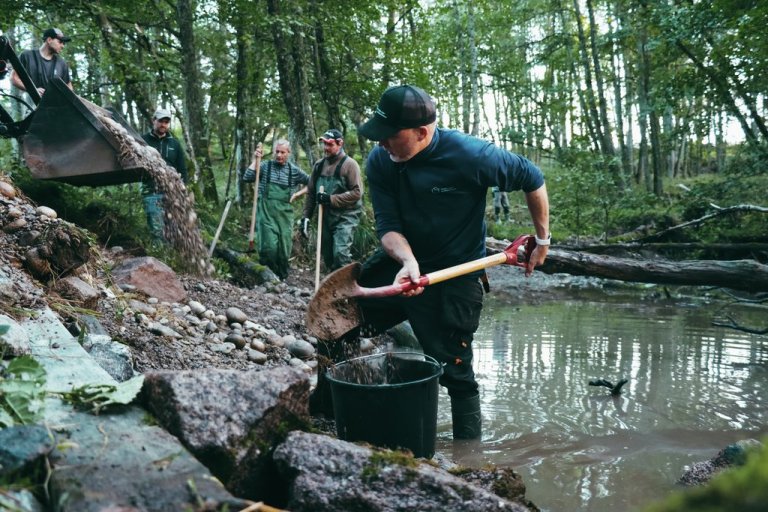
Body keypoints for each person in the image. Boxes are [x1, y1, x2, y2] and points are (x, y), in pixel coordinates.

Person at [355, 85, 550, 440]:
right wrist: (408, 260)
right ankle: (332, 413)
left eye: (389, 136)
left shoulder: (472, 155)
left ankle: (469, 458)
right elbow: (388, 225)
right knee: (345, 320)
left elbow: (532, 178)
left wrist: (543, 239)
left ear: (421, 133)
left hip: (457, 270)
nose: (381, 143)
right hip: (400, 260)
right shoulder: (380, 160)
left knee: (455, 371)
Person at [242, 140, 309, 279]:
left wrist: (297, 194)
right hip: (266, 213)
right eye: (277, 152)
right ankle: (267, 277)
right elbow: (247, 177)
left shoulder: (294, 171)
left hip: (285, 214)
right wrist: (256, 160)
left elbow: (313, 183)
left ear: (288, 153)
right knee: (269, 246)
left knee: (284, 247)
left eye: (282, 152)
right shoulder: (265, 166)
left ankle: (282, 277)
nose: (279, 155)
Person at [301, 129, 363, 272]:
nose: (326, 148)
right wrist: (305, 217)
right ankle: (333, 285)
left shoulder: (350, 165)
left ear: (340, 143)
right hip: (326, 215)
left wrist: (330, 199)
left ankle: (348, 289)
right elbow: (311, 193)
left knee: (340, 253)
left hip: (347, 215)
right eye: (324, 144)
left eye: (330, 144)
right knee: (328, 255)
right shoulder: (318, 165)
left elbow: (357, 193)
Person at [141, 108, 188, 240]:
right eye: (161, 121)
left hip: (172, 192)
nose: (163, 125)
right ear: (154, 120)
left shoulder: (174, 144)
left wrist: (184, 189)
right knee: (156, 227)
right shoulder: (143, 141)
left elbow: (182, 169)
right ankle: (159, 256)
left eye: (166, 122)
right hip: (151, 190)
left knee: (172, 227)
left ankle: (171, 258)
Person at [11, 28, 74, 96]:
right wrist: (33, 90)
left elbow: (69, 87)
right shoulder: (27, 56)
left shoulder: (62, 64)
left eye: (63, 43)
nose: (62, 46)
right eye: (60, 42)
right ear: (49, 40)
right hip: (31, 104)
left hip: (54, 105)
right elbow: (14, 78)